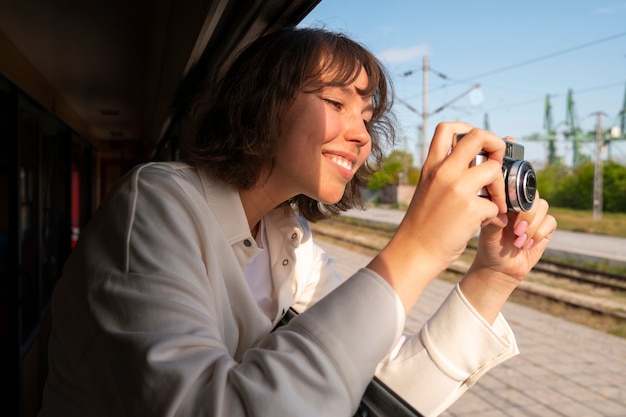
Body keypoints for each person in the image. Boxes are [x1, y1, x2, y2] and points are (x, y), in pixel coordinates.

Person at [39, 27, 556, 417]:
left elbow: (377, 389)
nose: (361, 136)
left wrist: (492, 278)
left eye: (369, 118)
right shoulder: (156, 202)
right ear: (260, 103)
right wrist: (416, 249)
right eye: (336, 102)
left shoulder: (291, 241)